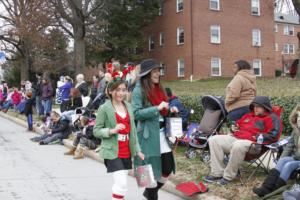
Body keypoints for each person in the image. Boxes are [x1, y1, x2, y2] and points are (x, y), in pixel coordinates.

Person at [204, 96, 280, 185]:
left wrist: (257, 136)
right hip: (237, 138)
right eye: (254, 106)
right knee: (214, 140)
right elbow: (238, 125)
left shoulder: (272, 118)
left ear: (265, 107)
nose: (255, 108)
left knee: (238, 145)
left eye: (258, 106)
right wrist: (234, 127)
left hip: (255, 145)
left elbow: (274, 135)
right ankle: (217, 173)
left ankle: (228, 176)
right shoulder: (248, 115)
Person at [131, 58, 177, 200]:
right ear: (146, 74)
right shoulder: (138, 90)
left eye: (158, 71)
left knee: (168, 169)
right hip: (147, 136)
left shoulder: (159, 88)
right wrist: (157, 108)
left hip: (162, 134)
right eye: (154, 71)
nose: (158, 74)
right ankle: (151, 194)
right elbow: (136, 113)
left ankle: (149, 193)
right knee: (147, 173)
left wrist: (170, 110)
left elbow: (162, 111)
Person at [93, 76, 144, 200]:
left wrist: (138, 150)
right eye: (118, 90)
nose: (121, 93)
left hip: (127, 150)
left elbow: (133, 131)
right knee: (121, 183)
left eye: (123, 90)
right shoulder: (104, 108)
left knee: (120, 183)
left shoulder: (128, 106)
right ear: (110, 91)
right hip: (112, 151)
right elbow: (96, 130)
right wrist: (112, 130)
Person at [253, 104, 300, 197]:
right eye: (298, 116)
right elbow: (289, 146)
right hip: (297, 157)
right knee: (283, 160)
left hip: (297, 158)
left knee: (288, 165)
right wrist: (281, 160)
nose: (299, 119)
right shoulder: (296, 130)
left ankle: (274, 191)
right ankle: (266, 188)